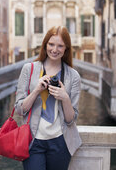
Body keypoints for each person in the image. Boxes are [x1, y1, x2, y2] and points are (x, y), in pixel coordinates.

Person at [15, 26, 82, 170]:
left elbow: (71, 120)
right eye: (51, 44)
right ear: (45, 44)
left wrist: (65, 98)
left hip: (60, 141)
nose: (55, 49)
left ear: (66, 49)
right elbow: (19, 110)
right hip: (33, 141)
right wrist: (36, 91)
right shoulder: (29, 69)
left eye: (60, 46)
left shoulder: (73, 76)